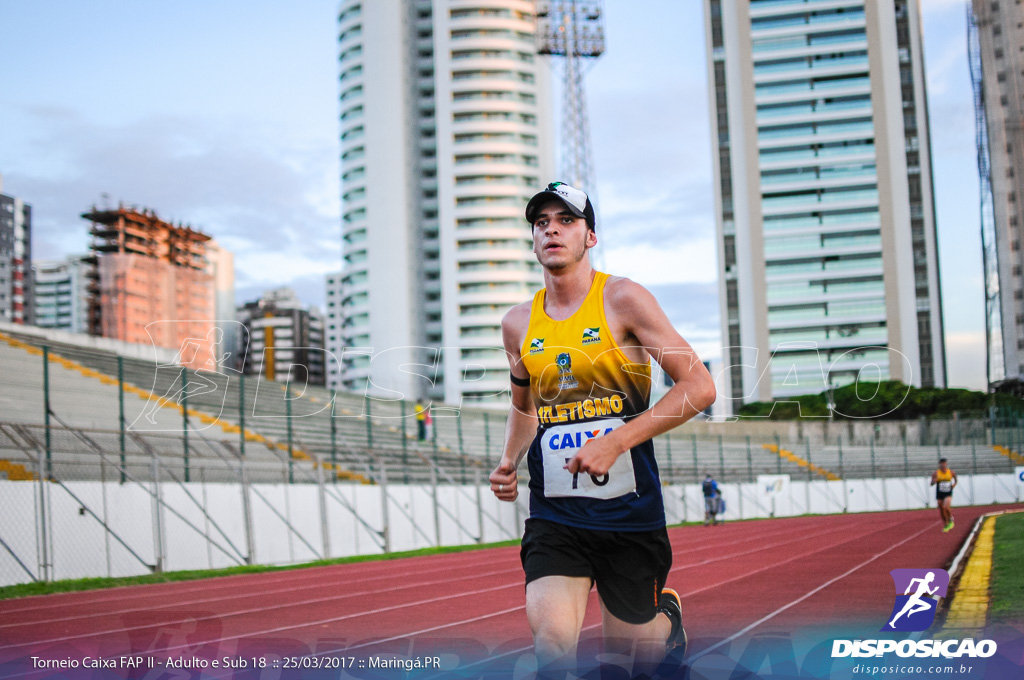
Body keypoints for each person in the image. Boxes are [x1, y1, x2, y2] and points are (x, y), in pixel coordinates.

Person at [488, 181, 717, 677]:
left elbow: (699, 387)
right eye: (541, 222)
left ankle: (667, 622)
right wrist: (508, 460)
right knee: (551, 647)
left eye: (566, 220)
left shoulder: (623, 299)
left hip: (629, 514)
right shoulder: (517, 324)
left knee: (632, 655)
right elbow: (525, 406)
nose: (552, 229)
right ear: (533, 239)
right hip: (556, 513)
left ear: (590, 236)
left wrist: (616, 442)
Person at [930, 458, 957, 532]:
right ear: (939, 464)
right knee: (941, 508)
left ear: (946, 464)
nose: (943, 465)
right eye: (941, 463)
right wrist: (934, 481)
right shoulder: (936, 473)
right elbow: (931, 483)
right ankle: (946, 523)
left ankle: (950, 518)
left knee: (946, 507)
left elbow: (955, 479)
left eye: (944, 463)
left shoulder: (951, 472)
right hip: (940, 492)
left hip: (948, 492)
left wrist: (954, 484)